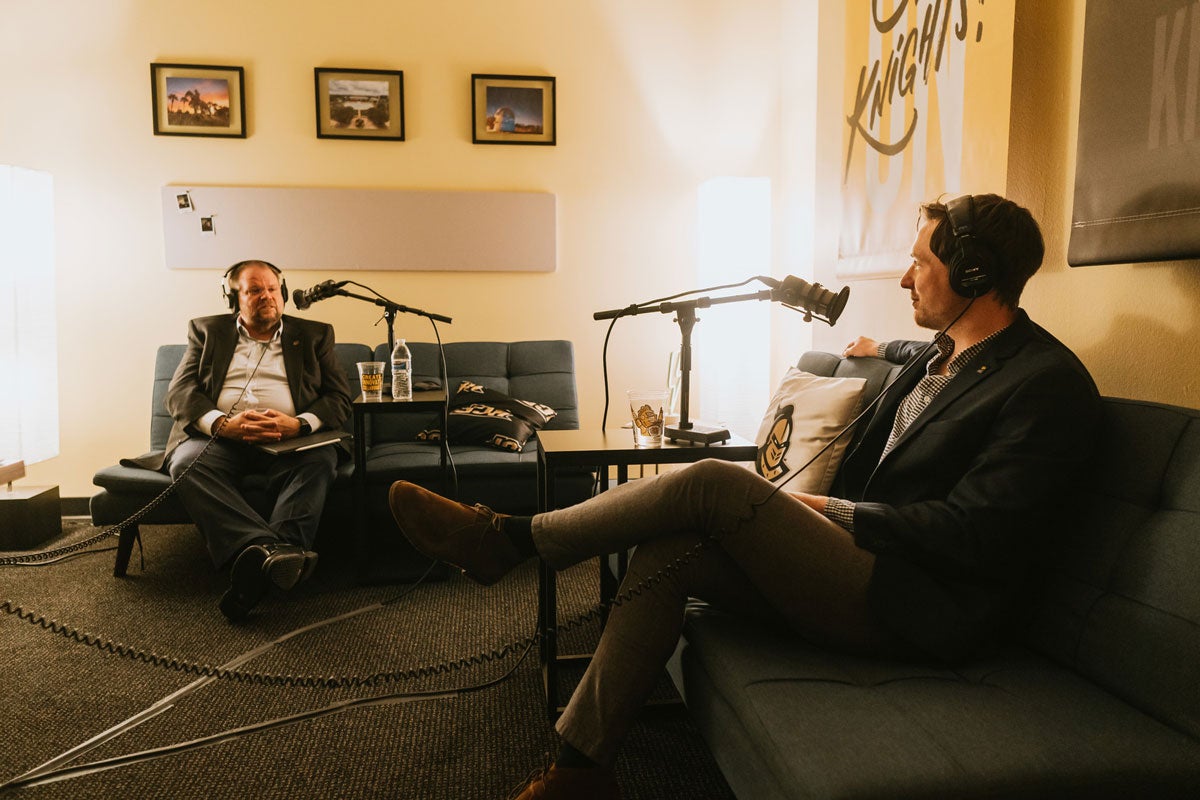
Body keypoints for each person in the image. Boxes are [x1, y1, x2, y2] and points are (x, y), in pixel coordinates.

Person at [387, 194, 1102, 799]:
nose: (907, 277)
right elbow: (905, 359)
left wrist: (832, 513)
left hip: (922, 607)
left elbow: (978, 532)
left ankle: (510, 539)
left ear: (975, 274)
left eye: (922, 262)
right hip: (862, 570)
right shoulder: (938, 355)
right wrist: (875, 348)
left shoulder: (1045, 385)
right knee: (671, 549)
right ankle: (578, 772)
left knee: (712, 481)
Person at [130, 260, 351, 622]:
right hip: (220, 441)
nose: (267, 296)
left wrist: (299, 424)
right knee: (187, 463)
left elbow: (338, 397)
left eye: (273, 289)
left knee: (320, 460)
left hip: (290, 440)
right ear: (233, 297)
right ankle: (273, 555)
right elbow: (180, 392)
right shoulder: (206, 331)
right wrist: (220, 424)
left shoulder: (315, 334)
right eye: (254, 290)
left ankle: (255, 571)